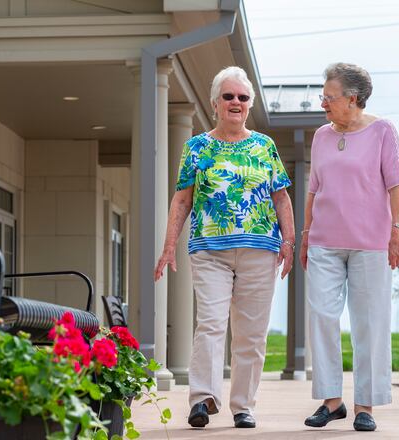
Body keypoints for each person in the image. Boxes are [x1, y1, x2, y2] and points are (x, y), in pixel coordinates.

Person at [154, 66, 295, 429]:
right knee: (211, 324)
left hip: (260, 249)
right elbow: (182, 199)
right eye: (229, 96)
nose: (236, 102)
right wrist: (169, 244)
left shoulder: (264, 146)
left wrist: (289, 241)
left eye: (243, 97)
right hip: (209, 251)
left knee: (251, 333)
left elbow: (281, 197)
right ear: (215, 102)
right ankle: (202, 399)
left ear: (249, 104)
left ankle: (243, 405)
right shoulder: (196, 147)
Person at [301, 62, 399, 432]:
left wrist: (398, 232)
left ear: (353, 98)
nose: (323, 104)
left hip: (369, 244)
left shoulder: (382, 131)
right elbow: (313, 189)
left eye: (329, 98)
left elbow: (396, 185)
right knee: (322, 316)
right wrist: (305, 235)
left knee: (370, 323)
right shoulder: (321, 136)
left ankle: (366, 405)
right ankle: (332, 401)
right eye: (323, 97)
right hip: (324, 244)